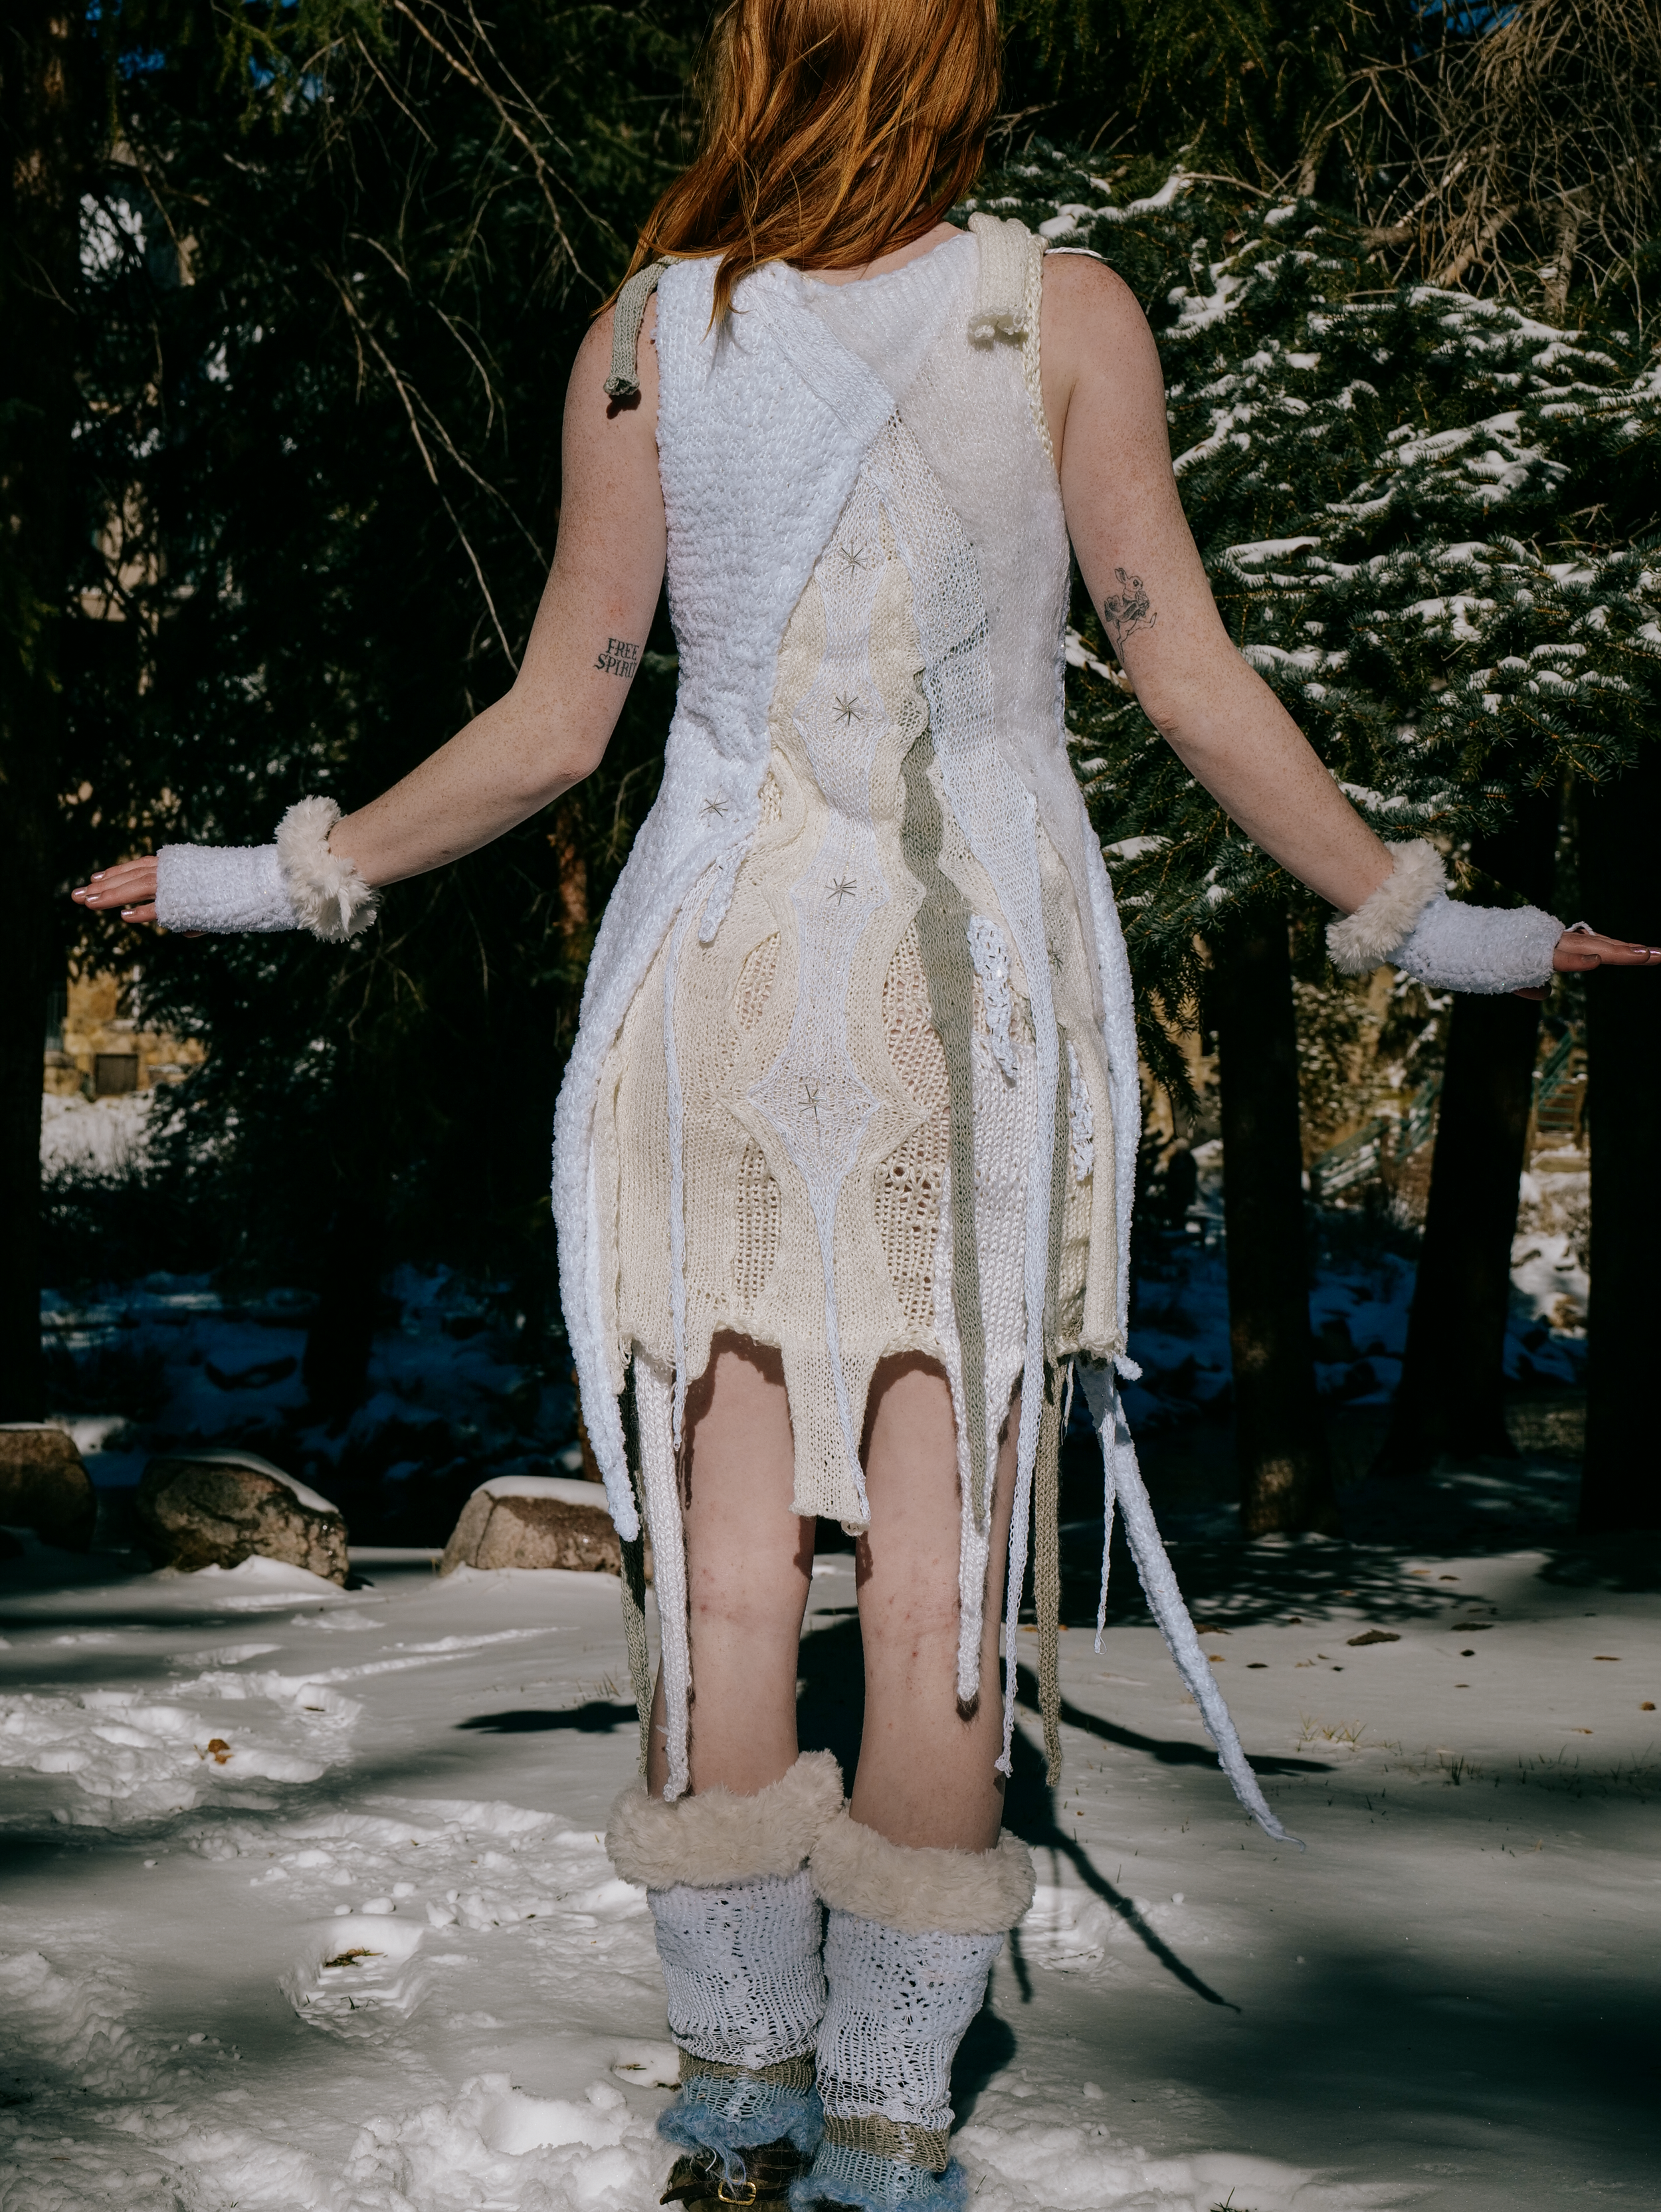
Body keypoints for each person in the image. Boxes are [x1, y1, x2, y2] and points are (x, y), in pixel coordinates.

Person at [74, 1, 1655, 2203]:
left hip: (712, 992)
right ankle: (890, 2124)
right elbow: (1177, 662)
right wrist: (1436, 924)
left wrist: (268, 875)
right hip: (962, 995)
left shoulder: (646, 337)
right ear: (948, 60)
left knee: (722, 1589)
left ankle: (737, 2109)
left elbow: (555, 720)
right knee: (937, 1593)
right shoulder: (1056, 312)